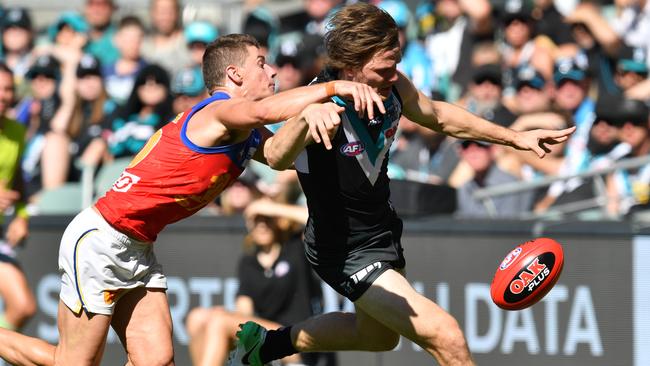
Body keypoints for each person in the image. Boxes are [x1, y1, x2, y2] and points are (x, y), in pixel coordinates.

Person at [0, 33, 385, 365]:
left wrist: (309, 117)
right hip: (101, 240)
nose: (271, 73)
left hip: (136, 246)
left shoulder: (243, 128)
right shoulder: (219, 111)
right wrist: (335, 87)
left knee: (159, 360)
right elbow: (266, 110)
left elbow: (276, 157)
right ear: (235, 74)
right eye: (262, 63)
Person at [228, 4, 575, 366]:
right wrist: (304, 120)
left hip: (382, 233)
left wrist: (515, 138)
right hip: (343, 251)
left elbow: (438, 115)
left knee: (376, 337)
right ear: (350, 69)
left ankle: (265, 346)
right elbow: (278, 157)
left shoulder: (389, 82)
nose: (394, 75)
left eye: (395, 63)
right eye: (383, 68)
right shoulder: (321, 106)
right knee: (447, 335)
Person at [186, 198, 334, 366]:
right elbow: (244, 311)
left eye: (266, 219)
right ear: (249, 226)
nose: (262, 225)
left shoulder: (295, 248)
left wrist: (273, 208)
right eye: (256, 220)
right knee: (197, 318)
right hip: (268, 338)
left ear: (276, 221)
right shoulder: (248, 262)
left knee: (219, 321)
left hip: (296, 337)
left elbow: (322, 221)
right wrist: (228, 317)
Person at [0, 63, 34, 332]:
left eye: (8, 88)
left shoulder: (16, 131)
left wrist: (21, 216)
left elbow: (18, 180)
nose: (3, 94)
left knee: (22, 306)